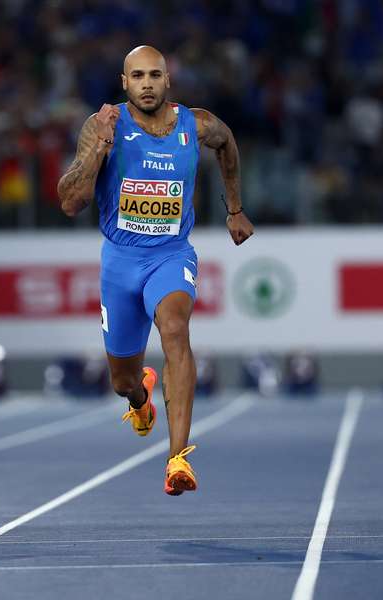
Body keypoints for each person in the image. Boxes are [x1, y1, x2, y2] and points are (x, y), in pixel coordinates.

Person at [57, 45, 254, 495]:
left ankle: (177, 458)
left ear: (168, 81)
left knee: (175, 329)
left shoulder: (196, 123)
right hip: (120, 262)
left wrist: (235, 208)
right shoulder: (102, 125)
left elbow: (226, 143)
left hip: (171, 255)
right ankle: (139, 397)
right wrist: (99, 150)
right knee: (121, 379)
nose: (147, 83)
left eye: (155, 75)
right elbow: (70, 201)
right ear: (124, 82)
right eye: (138, 76)